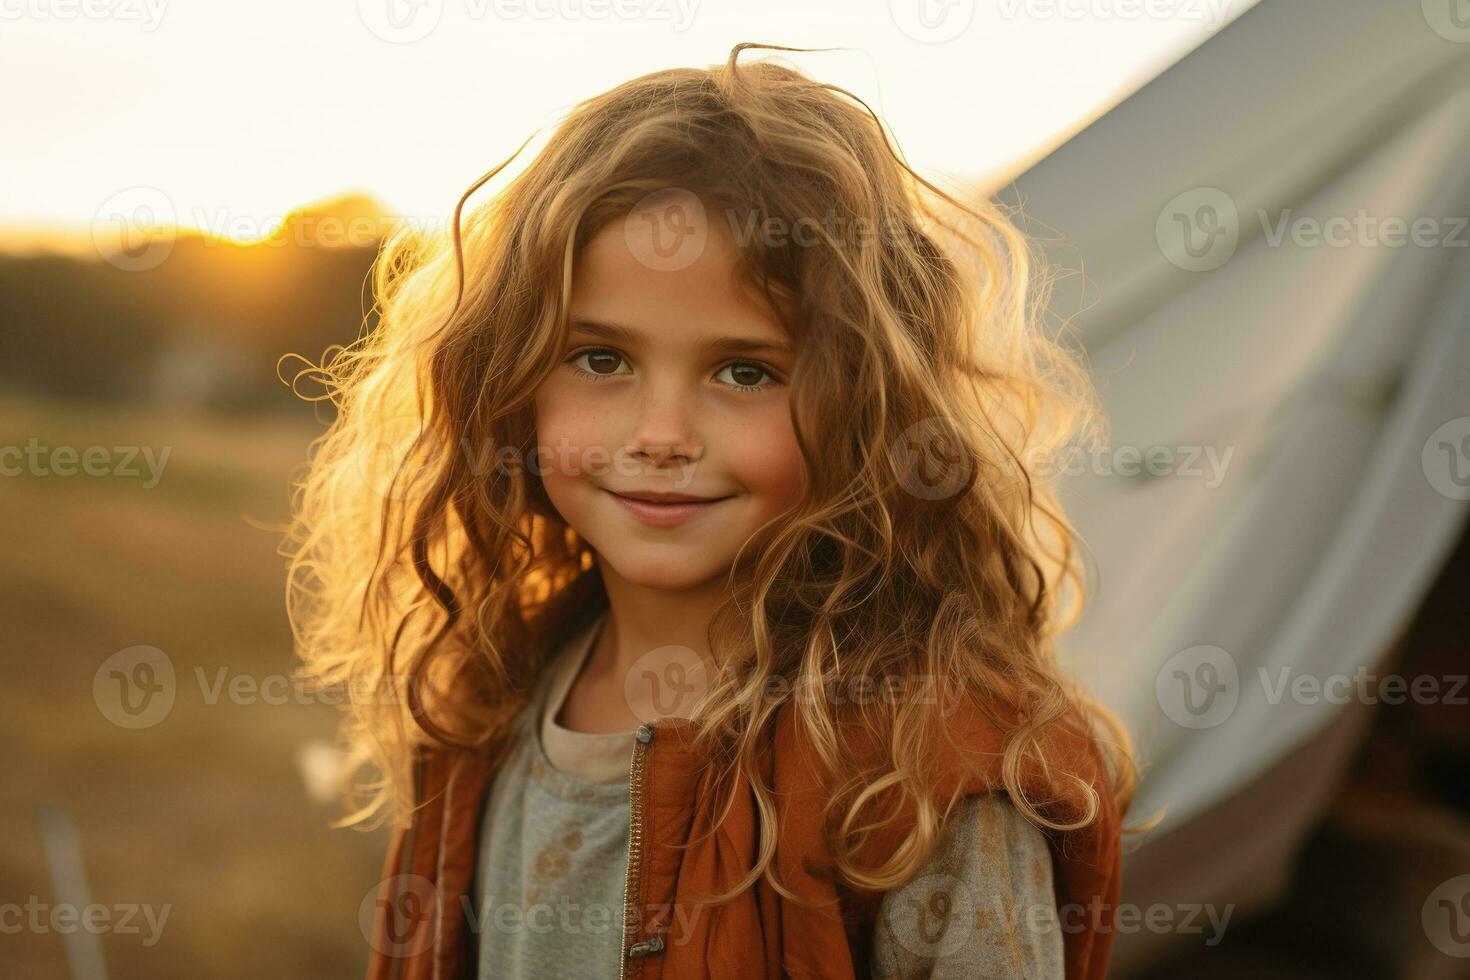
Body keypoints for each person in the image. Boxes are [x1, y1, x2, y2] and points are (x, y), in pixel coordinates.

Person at [285, 41, 1145, 980]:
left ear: (866, 406)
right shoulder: (486, 702)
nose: (660, 434)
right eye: (601, 358)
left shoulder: (930, 767)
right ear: (508, 377)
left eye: (746, 371)